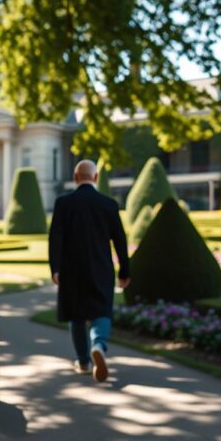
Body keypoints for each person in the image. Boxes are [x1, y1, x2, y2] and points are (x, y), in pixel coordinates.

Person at [48, 160, 130, 381]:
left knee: (76, 315)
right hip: (101, 267)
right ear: (95, 178)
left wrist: (55, 267)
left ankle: (84, 362)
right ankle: (99, 344)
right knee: (101, 310)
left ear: (75, 178)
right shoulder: (109, 204)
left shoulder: (63, 203)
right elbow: (120, 240)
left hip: (71, 269)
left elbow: (55, 237)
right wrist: (125, 269)